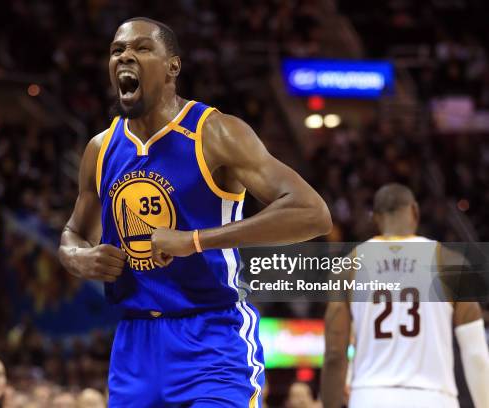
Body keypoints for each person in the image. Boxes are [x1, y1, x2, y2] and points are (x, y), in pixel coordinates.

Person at [59, 16, 331, 407]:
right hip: (134, 345)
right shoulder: (100, 150)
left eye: (141, 48)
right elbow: (72, 234)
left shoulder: (215, 132)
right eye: (117, 50)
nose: (125, 57)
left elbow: (312, 212)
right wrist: (79, 257)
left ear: (173, 67)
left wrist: (197, 240)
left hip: (211, 337)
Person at [320, 183, 489, 408]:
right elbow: (476, 354)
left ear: (376, 219)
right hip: (434, 398)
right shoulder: (451, 263)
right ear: (415, 212)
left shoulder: (347, 266)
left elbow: (334, 354)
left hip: (370, 397)